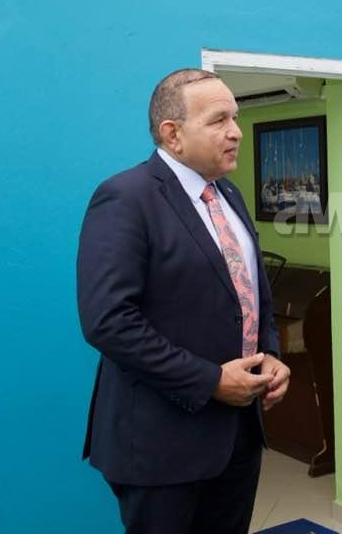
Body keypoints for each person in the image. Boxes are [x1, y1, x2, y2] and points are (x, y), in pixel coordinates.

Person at [77, 68, 291, 534]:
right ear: (172, 134)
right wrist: (211, 380)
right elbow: (108, 321)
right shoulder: (125, 197)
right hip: (162, 445)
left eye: (235, 118)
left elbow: (250, 293)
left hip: (238, 437)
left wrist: (270, 352)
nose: (236, 132)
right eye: (219, 120)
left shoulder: (228, 193)